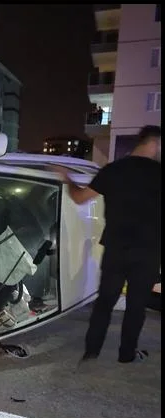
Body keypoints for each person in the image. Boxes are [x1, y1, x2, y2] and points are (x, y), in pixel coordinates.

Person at [60, 125, 161, 366]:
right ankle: (126, 355)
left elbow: (79, 197)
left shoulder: (113, 170)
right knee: (136, 307)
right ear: (156, 143)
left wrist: (66, 178)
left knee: (104, 303)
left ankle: (91, 351)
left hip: (116, 249)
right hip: (147, 252)